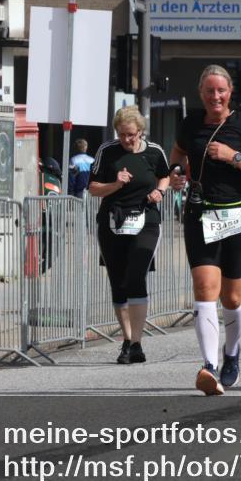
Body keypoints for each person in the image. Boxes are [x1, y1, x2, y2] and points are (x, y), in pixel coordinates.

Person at [168, 65, 241, 395]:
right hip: (200, 213)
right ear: (201, 93)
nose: (215, 96)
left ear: (230, 93)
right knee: (204, 287)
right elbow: (178, 155)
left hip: (237, 214)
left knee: (232, 296)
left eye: (221, 91)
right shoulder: (190, 124)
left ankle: (231, 354)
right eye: (209, 91)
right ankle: (209, 365)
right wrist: (175, 174)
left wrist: (234, 155)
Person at [88, 106, 169, 364]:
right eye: (122, 134)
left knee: (136, 275)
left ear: (140, 132)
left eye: (131, 135)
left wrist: (160, 192)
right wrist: (116, 183)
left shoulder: (154, 152)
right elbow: (93, 188)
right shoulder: (107, 152)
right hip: (112, 221)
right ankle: (126, 340)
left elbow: (164, 176)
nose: (126, 140)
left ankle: (137, 343)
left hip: (146, 220)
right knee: (118, 281)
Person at [38, 157, 62, 273]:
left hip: (47, 216)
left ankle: (38, 268)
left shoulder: (45, 178)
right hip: (51, 217)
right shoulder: (55, 181)